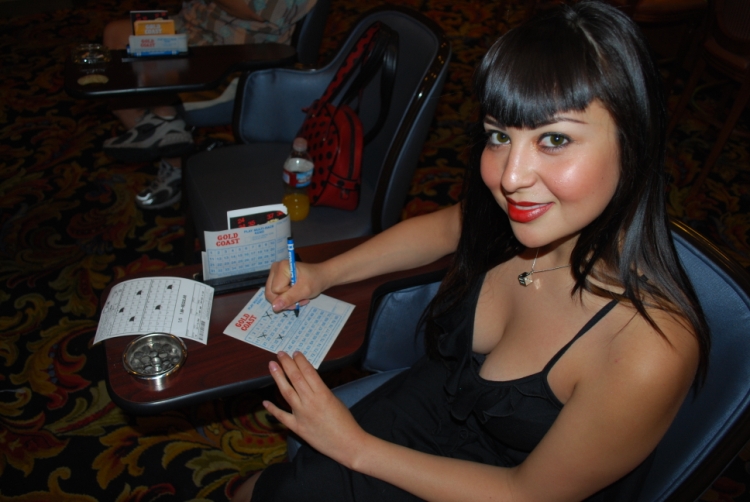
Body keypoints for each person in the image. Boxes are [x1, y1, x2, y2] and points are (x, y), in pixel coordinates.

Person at [232, 1, 711, 500]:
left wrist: (354, 447)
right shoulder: (523, 219)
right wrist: (324, 273)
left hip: (496, 487)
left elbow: (527, 494)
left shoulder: (648, 349)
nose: (510, 177)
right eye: (499, 135)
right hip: (430, 406)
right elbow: (444, 228)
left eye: (554, 138)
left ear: (633, 143)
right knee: (272, 489)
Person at [101, 0, 317, 209]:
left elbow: (259, 11)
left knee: (142, 76)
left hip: (238, 49)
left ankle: (170, 148)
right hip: (195, 27)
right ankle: (166, 134)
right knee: (115, 38)